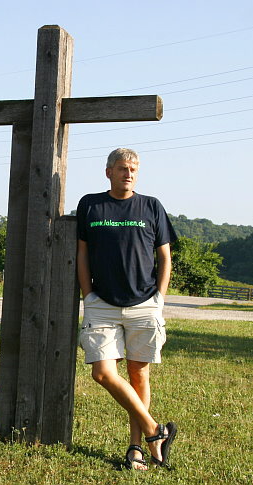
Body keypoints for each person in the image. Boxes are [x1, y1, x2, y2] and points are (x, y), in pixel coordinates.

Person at [76, 148, 178, 471]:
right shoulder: (91, 204)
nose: (129, 173)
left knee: (138, 375)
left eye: (133, 168)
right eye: (122, 168)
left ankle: (137, 449)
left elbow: (165, 258)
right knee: (103, 373)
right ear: (108, 172)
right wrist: (88, 295)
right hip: (101, 304)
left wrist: (159, 299)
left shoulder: (151, 206)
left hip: (144, 303)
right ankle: (155, 431)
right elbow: (82, 254)